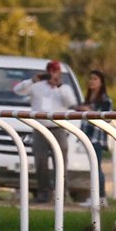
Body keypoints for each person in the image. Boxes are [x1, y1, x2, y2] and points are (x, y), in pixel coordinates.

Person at [12, 59, 77, 203]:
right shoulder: (37, 86)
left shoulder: (64, 88)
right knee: (40, 162)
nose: (53, 74)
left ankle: (62, 193)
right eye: (51, 71)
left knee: (60, 161)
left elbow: (71, 102)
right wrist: (32, 80)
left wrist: (58, 86)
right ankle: (43, 193)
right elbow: (18, 90)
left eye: (56, 71)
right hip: (40, 128)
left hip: (58, 128)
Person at [75, 69, 112, 208]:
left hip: (97, 138)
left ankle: (101, 197)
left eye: (95, 79)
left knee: (96, 167)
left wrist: (88, 110)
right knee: (93, 167)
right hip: (87, 136)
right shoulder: (88, 98)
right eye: (90, 79)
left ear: (101, 83)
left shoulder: (105, 100)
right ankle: (95, 196)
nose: (92, 81)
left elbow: (107, 117)